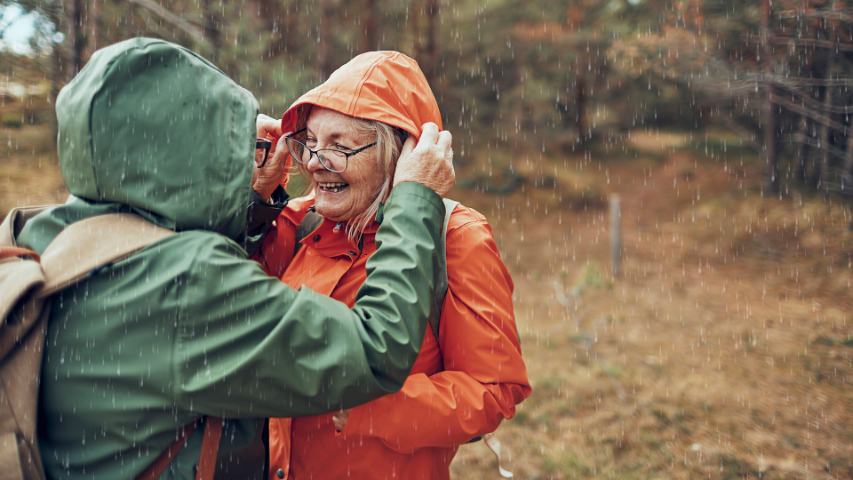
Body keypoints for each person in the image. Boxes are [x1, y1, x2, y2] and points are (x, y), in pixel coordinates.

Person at [14, 38, 455, 479]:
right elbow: (375, 350)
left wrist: (249, 199)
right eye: (228, 140)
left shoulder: (40, 236)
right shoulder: (186, 283)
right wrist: (415, 200)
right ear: (195, 149)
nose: (318, 160)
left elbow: (158, 242)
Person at [255, 51, 531, 480]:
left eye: (339, 146)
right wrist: (254, 199)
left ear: (400, 155)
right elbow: (223, 293)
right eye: (309, 141)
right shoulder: (299, 220)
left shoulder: (456, 237)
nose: (311, 161)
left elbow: (492, 391)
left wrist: (372, 404)